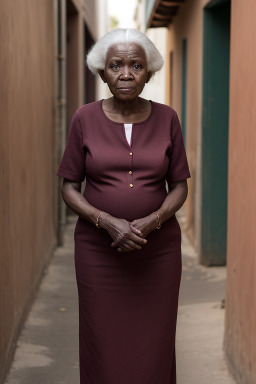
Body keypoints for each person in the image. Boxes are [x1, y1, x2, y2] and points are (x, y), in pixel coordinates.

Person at [57, 28, 190, 384]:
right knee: (102, 340)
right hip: (99, 252)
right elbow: (70, 187)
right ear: (102, 72)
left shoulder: (168, 118)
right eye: (116, 65)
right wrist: (106, 221)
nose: (126, 74)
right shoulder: (84, 119)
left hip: (157, 252)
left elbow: (179, 186)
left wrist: (154, 220)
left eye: (136, 65)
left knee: (155, 341)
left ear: (150, 72)